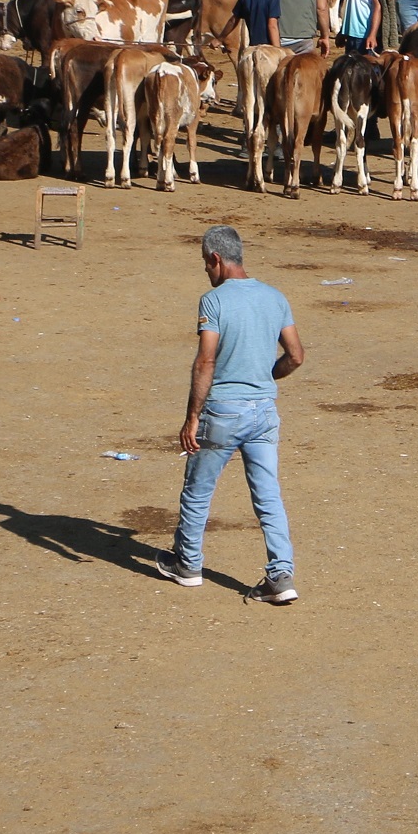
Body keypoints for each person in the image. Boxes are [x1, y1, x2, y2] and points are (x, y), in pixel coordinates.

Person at [160, 225, 305, 605]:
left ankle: (188, 565)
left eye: (206, 265)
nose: (206, 272)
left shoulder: (214, 301)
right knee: (268, 496)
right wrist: (265, 375)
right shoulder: (275, 297)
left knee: (198, 491)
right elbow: (296, 356)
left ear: (216, 259)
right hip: (264, 413)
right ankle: (280, 575)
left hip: (223, 411)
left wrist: (192, 416)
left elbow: (206, 359)